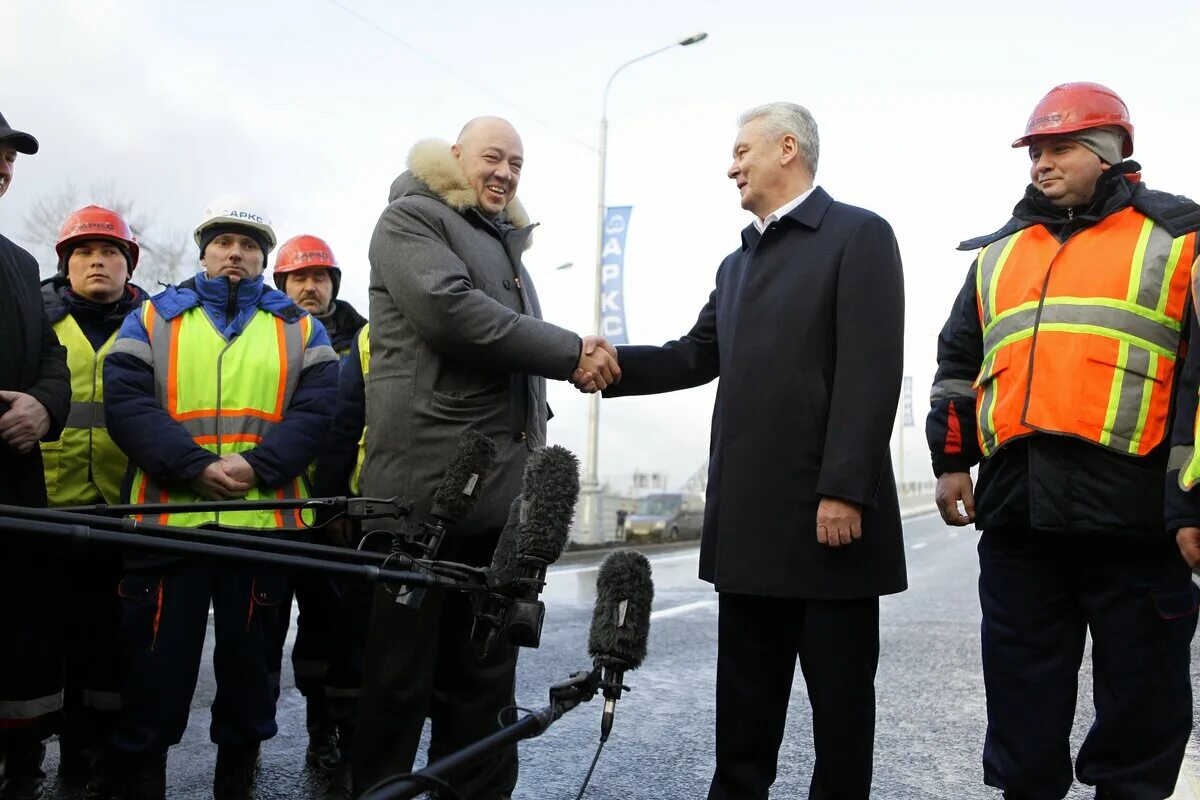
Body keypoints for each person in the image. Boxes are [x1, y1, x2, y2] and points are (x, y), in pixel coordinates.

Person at [590, 101, 907, 800]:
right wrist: (607, 365)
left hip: (830, 526)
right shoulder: (737, 264)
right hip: (751, 532)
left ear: (787, 148)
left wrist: (846, 489)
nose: (730, 165)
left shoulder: (859, 235)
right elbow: (695, 355)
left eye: (741, 151)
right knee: (743, 719)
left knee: (842, 719)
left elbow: (871, 369)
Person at [926, 83, 1200, 799]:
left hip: (1136, 516)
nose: (1041, 164)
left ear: (1110, 151)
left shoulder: (1182, 237)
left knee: (1142, 697)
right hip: (1020, 514)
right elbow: (958, 364)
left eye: (1059, 148)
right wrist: (952, 460)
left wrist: (1194, 502)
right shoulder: (997, 254)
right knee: (1021, 697)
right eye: (1035, 152)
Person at [353, 116, 618, 798]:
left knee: (481, 693)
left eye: (517, 165)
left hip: (498, 512)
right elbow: (452, 313)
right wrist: (571, 353)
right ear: (455, 156)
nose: (504, 173)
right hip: (421, 501)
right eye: (492, 158)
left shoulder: (507, 251)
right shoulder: (411, 221)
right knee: (396, 689)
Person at [93, 196, 339, 800]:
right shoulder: (151, 319)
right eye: (224, 243)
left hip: (265, 522)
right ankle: (144, 772)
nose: (237, 253)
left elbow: (316, 414)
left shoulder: (302, 328)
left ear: (263, 261)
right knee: (154, 664)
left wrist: (256, 467)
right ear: (203, 253)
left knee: (252, 666)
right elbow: (125, 402)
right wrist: (193, 466)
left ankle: (239, 772)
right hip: (167, 520)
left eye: (250, 245)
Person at [39, 206, 148, 785]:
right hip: (44, 506)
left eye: (109, 252)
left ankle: (96, 749)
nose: (97, 261)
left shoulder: (156, 322)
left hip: (124, 510)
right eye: (83, 252)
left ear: (128, 264)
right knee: (38, 635)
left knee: (109, 638)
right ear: (66, 264)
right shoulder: (33, 315)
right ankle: (27, 752)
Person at [270, 233, 367, 773]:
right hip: (275, 502)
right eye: (299, 278)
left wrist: (341, 504)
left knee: (338, 622)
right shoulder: (264, 335)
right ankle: (307, 722)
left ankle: (330, 730)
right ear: (282, 283)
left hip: (341, 509)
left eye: (319, 277)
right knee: (272, 624)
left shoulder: (368, 338)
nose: (310, 287)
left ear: (333, 284)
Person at [0, 110, 71, 800]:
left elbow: (52, 360)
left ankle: (21, 769)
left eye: (10, 156)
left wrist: (43, 406)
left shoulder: (19, 263)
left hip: (18, 494)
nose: (4, 166)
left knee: (19, 646)